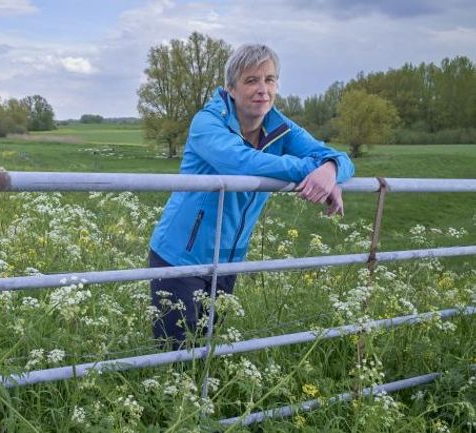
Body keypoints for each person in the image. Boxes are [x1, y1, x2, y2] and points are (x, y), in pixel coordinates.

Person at [149, 43, 354, 349]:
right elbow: (243, 162)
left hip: (230, 259)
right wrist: (312, 168)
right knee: (174, 354)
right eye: (251, 80)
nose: (262, 89)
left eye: (269, 79)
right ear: (230, 88)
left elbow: (341, 158)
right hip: (179, 255)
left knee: (208, 349)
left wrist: (330, 168)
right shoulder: (207, 123)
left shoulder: (281, 128)